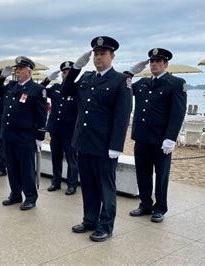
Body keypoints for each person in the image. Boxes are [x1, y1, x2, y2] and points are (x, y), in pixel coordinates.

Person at [64, 36, 133, 242]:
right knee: (88, 184)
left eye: (103, 53)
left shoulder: (121, 80)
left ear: (112, 56)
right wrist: (76, 69)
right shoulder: (86, 78)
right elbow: (66, 90)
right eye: (96, 53)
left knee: (105, 186)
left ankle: (105, 226)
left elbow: (122, 116)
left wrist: (116, 146)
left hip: (104, 145)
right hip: (84, 141)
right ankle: (89, 220)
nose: (98, 57)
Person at [126, 48, 187, 223]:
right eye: (152, 61)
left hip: (161, 140)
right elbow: (124, 88)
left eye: (158, 61)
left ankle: (160, 207)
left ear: (166, 64)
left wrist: (171, 138)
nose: (154, 64)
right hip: (142, 137)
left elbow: (178, 112)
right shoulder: (143, 82)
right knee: (142, 172)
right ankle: (145, 204)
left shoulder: (176, 83)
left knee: (161, 174)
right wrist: (130, 73)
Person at [0, 56, 47, 211]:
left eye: (20, 69)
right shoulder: (11, 86)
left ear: (29, 72)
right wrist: (2, 77)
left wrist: (40, 136)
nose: (17, 71)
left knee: (26, 168)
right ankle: (15, 194)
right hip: (8, 134)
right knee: (12, 167)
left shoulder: (37, 90)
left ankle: (30, 197)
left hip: (25, 136)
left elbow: (42, 115)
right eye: (16, 69)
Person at [40, 61, 80, 195]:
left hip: (70, 131)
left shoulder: (77, 89)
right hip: (55, 130)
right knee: (56, 157)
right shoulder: (56, 87)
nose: (66, 74)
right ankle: (56, 181)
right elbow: (38, 91)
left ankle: (72, 184)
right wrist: (47, 80)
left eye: (68, 71)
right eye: (64, 72)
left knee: (71, 159)